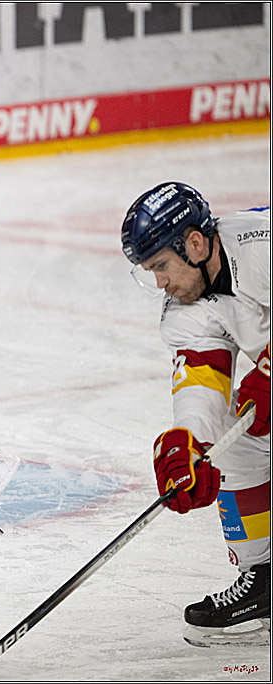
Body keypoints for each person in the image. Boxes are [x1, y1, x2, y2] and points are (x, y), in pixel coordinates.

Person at [121, 181, 270, 647]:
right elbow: (203, 380)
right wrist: (189, 440)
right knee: (229, 435)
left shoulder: (263, 246)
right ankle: (265, 578)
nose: (160, 283)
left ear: (196, 244)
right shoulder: (187, 308)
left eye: (161, 266)